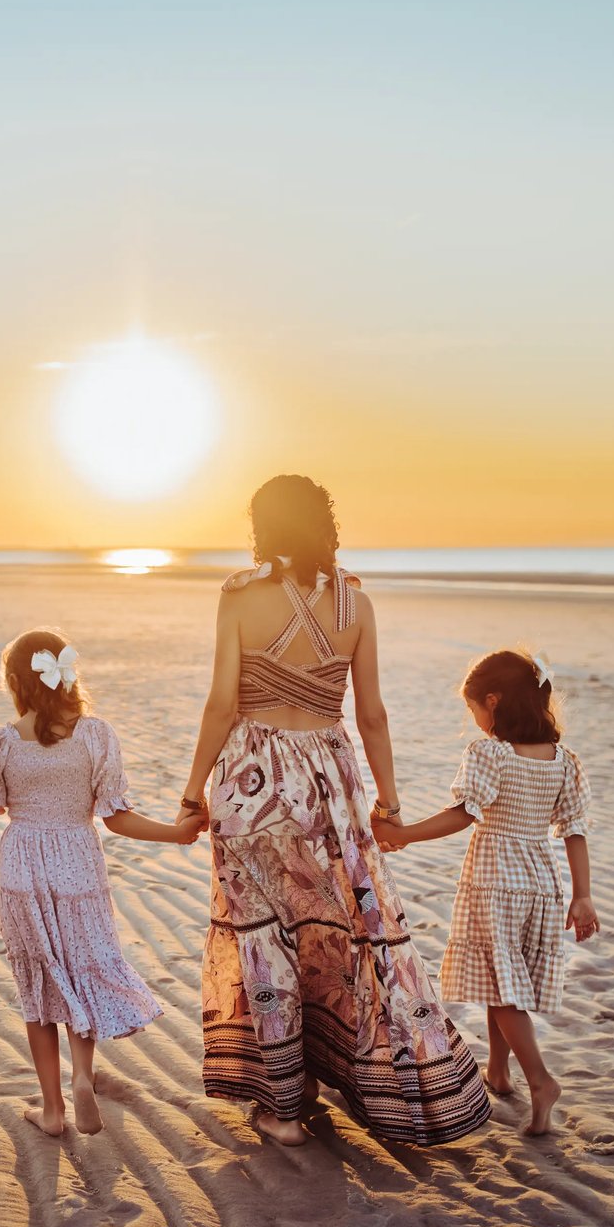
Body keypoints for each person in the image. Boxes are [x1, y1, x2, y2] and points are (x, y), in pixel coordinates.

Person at [178, 474, 490, 1147]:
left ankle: (286, 1105)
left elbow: (220, 704)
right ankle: (333, 1072)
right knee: (337, 928)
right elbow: (371, 714)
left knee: (265, 933)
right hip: (329, 777)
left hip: (252, 777)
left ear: (262, 525)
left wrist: (192, 787)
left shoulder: (239, 595)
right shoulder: (357, 602)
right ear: (326, 523)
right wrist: (390, 799)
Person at [0, 630, 201, 1137]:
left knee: (39, 984)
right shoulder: (96, 736)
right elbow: (117, 817)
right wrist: (175, 835)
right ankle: (84, 1079)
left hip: (23, 866)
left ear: (13, 682)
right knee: (82, 971)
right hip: (78, 863)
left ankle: (51, 1109)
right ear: (69, 676)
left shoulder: (2, 742)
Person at [372, 649, 596, 1135]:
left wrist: (403, 834)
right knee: (504, 975)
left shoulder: (490, 753)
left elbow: (464, 813)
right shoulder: (564, 762)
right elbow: (574, 830)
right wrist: (583, 896)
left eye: (472, 707)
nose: (472, 719)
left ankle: (540, 1079)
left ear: (493, 701)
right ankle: (498, 1069)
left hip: (495, 880)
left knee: (500, 986)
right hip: (541, 882)